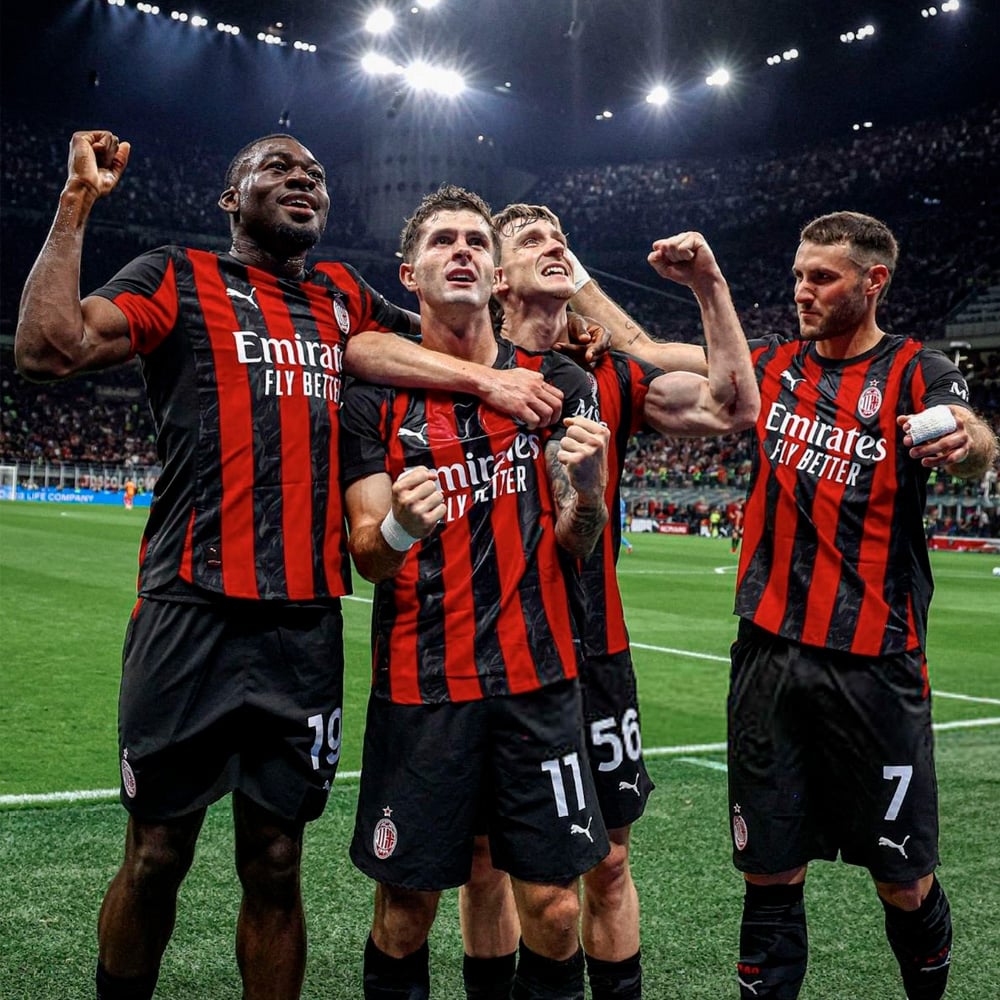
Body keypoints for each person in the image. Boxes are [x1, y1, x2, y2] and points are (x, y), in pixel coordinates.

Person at [14, 130, 563, 1000]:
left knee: (276, 860)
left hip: (302, 627)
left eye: (315, 173)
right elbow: (48, 349)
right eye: (279, 169)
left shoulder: (343, 296)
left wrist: (504, 367)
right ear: (233, 199)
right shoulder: (175, 276)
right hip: (186, 609)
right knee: (157, 854)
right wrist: (77, 201)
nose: (305, 180)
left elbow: (414, 343)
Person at [458, 203, 760, 1000]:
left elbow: (736, 405)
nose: (555, 246)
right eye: (530, 240)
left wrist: (709, 284)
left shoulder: (611, 379)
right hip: (488, 654)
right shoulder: (459, 375)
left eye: (562, 239)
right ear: (494, 278)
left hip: (595, 653)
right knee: (486, 866)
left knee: (611, 861)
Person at [340, 185, 613, 1000]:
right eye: (441, 242)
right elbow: (365, 554)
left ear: (497, 274)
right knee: (406, 909)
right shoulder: (374, 398)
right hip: (423, 690)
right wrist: (398, 531)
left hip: (539, 686)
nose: (460, 250)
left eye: (474, 242)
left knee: (559, 910)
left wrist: (590, 497)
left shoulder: (559, 381)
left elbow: (576, 542)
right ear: (410, 273)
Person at [728, 210, 999, 999]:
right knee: (769, 869)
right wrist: (580, 288)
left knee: (902, 879)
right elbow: (666, 357)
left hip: (876, 664)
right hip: (769, 654)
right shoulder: (773, 365)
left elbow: (973, 434)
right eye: (799, 275)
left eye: (823, 277)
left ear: (873, 281)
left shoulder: (918, 369)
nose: (802, 291)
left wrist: (963, 437)